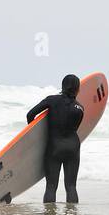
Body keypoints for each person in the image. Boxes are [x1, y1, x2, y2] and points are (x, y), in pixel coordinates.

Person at [26, 74, 85, 203]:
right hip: (73, 147)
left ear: (63, 86)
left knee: (51, 186)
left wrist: (35, 136)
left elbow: (30, 114)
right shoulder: (80, 108)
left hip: (54, 147)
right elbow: (76, 127)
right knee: (71, 186)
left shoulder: (51, 100)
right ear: (77, 89)